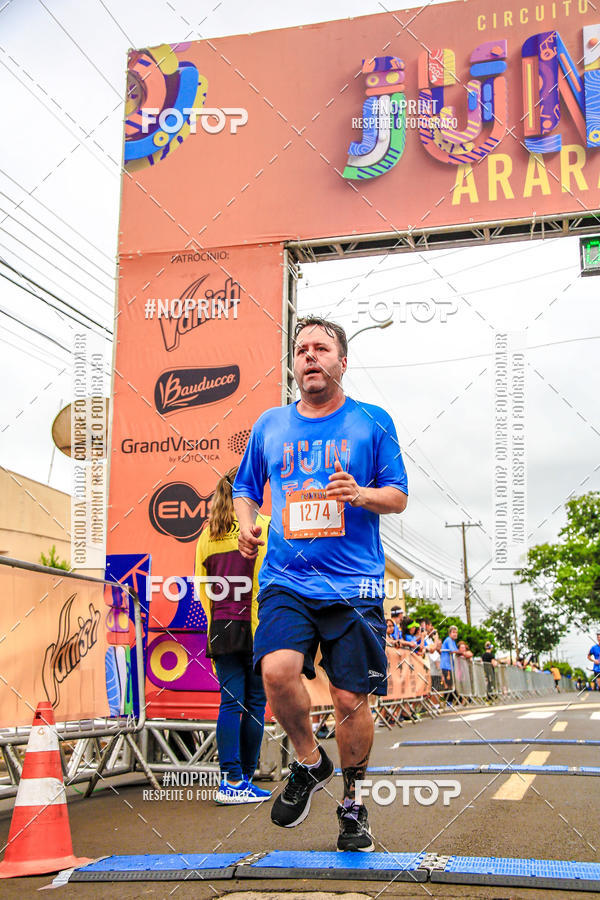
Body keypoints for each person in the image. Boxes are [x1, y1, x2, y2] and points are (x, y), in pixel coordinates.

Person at [233, 316, 408, 852]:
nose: (309, 356)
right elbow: (245, 487)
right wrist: (245, 521)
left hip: (355, 586)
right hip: (288, 578)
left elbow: (398, 495)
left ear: (342, 362)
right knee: (276, 671)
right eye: (301, 349)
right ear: (294, 364)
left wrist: (361, 494)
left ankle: (353, 807)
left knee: (351, 698)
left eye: (321, 348)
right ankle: (309, 762)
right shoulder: (269, 425)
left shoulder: (372, 422)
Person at [195, 467, 272, 805]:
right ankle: (245, 776)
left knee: (230, 702)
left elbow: (202, 590)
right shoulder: (266, 526)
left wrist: (217, 620)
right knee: (256, 704)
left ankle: (232, 780)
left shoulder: (206, 536)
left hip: (222, 627)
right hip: (259, 626)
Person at [440, 626, 459, 705]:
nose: (455, 634)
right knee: (448, 685)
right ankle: (448, 702)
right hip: (446, 665)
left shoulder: (453, 641)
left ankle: (451, 701)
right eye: (453, 632)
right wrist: (461, 652)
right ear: (450, 633)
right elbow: (453, 650)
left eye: (456, 632)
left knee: (451, 684)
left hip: (450, 666)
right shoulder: (448, 640)